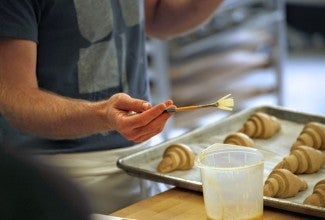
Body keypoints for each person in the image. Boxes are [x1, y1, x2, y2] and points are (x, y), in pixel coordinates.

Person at [0, 0, 223, 214]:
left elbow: (157, 18)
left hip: (143, 160)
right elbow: (16, 98)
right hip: (64, 174)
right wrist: (103, 116)